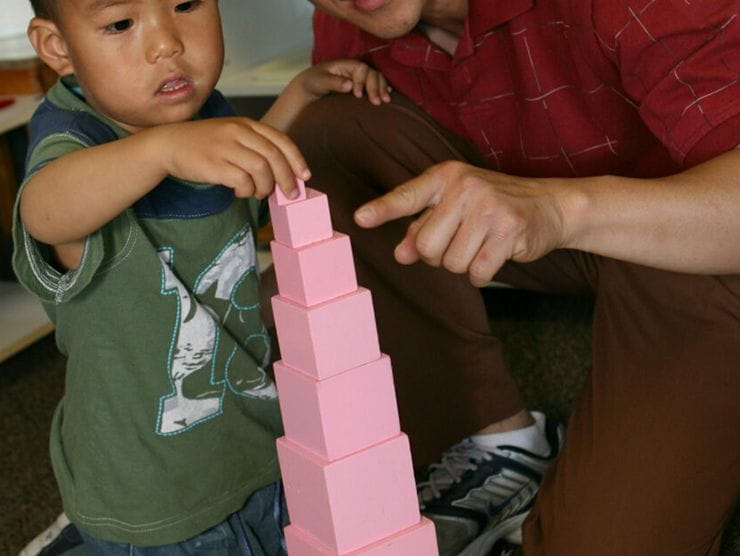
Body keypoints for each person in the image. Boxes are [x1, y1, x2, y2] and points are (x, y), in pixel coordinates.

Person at [285, 0, 740, 554]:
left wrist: (563, 211)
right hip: (544, 224)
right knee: (330, 122)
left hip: (701, 246)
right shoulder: (356, 14)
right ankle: (495, 440)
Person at [13, 0, 390, 553]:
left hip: (255, 441)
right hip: (155, 494)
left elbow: (240, 194)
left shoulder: (195, 114)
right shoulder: (72, 140)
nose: (168, 42)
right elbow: (44, 213)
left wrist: (298, 98)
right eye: (120, 24)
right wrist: (164, 152)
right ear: (57, 48)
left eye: (186, 4)